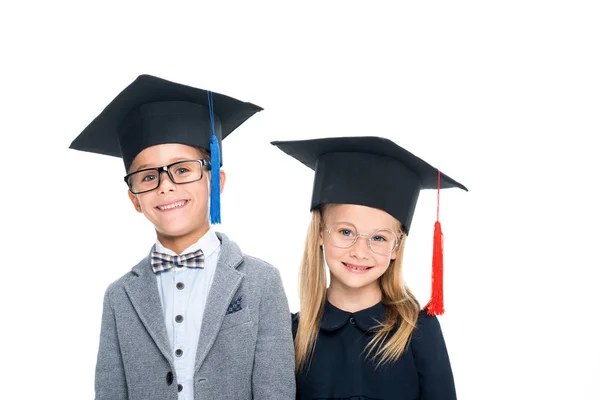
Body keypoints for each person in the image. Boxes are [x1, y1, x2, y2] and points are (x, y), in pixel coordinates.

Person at [70, 74, 295, 400]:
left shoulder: (261, 281)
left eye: (182, 169)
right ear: (135, 198)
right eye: (148, 176)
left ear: (215, 181)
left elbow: (276, 390)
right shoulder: (119, 296)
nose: (165, 186)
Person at [272, 136, 467, 400]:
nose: (359, 251)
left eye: (378, 238)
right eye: (345, 232)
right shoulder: (292, 334)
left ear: (396, 247)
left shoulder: (418, 331)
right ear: (320, 233)